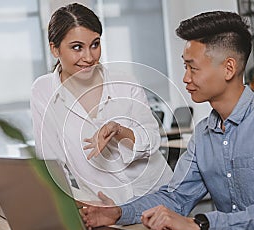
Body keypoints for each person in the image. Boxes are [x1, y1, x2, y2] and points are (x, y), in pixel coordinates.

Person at [81, 11, 254, 230]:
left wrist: (200, 225)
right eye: (185, 67)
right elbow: (176, 197)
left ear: (229, 68)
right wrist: (116, 212)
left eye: (193, 68)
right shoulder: (204, 133)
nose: (185, 78)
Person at [30, 3, 173, 205]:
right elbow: (50, 164)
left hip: (159, 196)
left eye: (95, 45)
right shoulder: (43, 91)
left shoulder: (125, 82)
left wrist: (119, 130)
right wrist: (78, 206)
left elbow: (152, 140)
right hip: (106, 207)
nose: (89, 57)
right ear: (55, 49)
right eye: (77, 47)